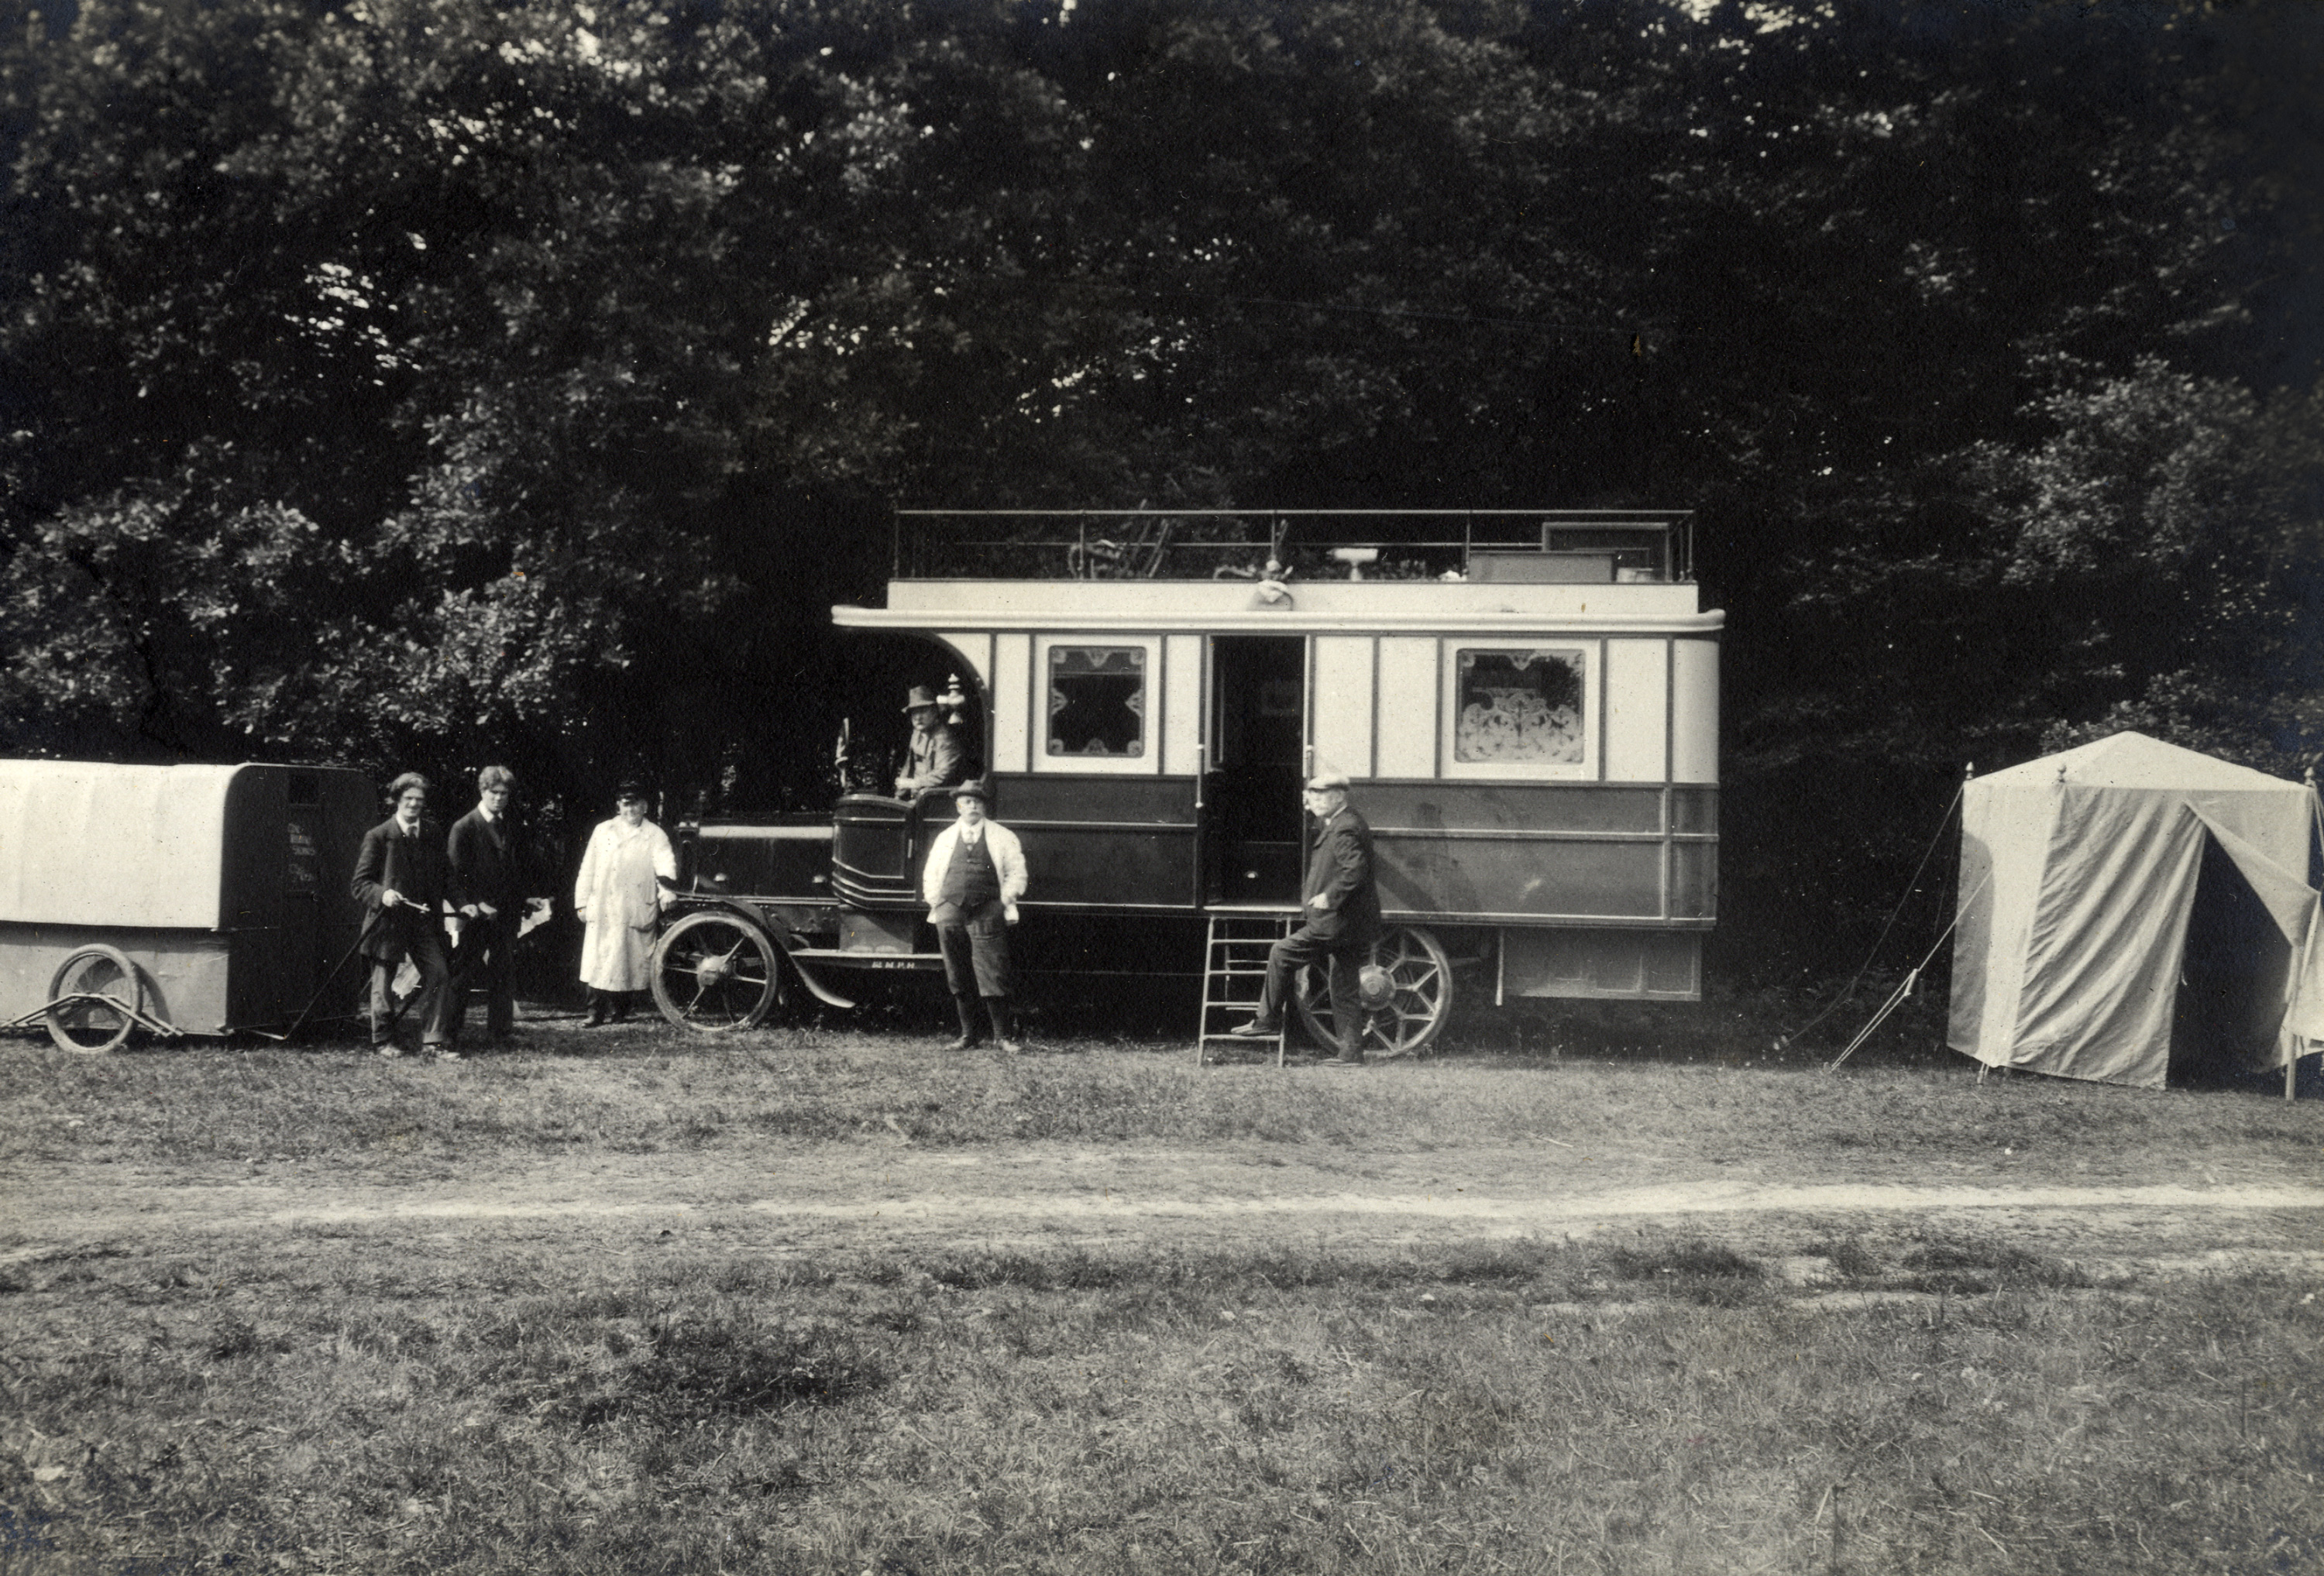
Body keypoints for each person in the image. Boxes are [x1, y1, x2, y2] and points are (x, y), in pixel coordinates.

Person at [1231, 769, 1381, 1066]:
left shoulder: (1345, 828)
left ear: (1338, 796)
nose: (1314, 800)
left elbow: (1356, 869)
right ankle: (1351, 1055)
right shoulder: (1341, 821)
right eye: (1311, 794)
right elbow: (1328, 839)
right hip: (1351, 923)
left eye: (1320, 795)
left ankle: (1266, 1020)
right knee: (1345, 987)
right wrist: (1312, 808)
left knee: (1281, 952)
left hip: (1336, 922)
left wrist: (1330, 896)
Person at [351, 772, 459, 1060]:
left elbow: (447, 876)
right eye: (408, 799)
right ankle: (383, 1039)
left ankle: (433, 1041)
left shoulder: (433, 833)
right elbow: (360, 884)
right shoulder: (379, 836)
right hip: (387, 924)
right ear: (397, 800)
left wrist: (464, 903)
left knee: (438, 974)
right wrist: (382, 894)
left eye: (419, 800)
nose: (413, 804)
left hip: (423, 923)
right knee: (383, 984)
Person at [920, 779, 1028, 1053]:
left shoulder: (1003, 836)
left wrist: (1004, 900)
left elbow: (1017, 873)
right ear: (958, 806)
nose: (973, 806)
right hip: (951, 911)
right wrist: (939, 902)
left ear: (984, 806)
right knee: (957, 973)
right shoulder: (945, 838)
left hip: (988, 909)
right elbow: (931, 875)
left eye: (977, 801)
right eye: (967, 801)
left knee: (993, 971)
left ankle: (1002, 1037)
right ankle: (968, 1036)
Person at [574, 780, 676, 1025]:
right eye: (626, 804)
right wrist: (581, 902)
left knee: (628, 961)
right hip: (603, 906)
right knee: (598, 959)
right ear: (619, 806)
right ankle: (594, 1013)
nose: (630, 810)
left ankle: (621, 1012)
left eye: (636, 804)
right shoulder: (603, 830)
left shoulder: (655, 835)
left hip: (635, 906)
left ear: (645, 807)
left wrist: (667, 891)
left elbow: (665, 865)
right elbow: (587, 868)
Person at [447, 764, 525, 1049]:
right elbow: (455, 875)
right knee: (462, 973)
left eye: (504, 793)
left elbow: (514, 870)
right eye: (494, 793)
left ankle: (500, 1034)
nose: (499, 798)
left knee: (503, 973)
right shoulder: (464, 827)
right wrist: (477, 903)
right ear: (483, 791)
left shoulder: (510, 825)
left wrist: (522, 899)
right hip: (474, 915)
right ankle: (448, 1033)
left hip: (505, 915)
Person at [892, 684, 967, 801]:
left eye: (923, 711)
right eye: (914, 712)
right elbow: (909, 766)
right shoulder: (917, 733)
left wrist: (914, 783)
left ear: (935, 712)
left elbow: (943, 773)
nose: (917, 717)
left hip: (940, 800)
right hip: (919, 797)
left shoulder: (944, 738)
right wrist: (898, 796)